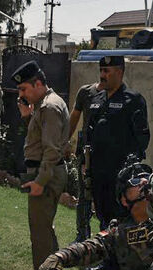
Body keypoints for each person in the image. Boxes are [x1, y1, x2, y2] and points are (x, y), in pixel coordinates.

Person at [84, 56, 150, 270]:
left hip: (120, 176)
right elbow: (90, 133)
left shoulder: (133, 100)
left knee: (121, 221)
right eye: (101, 70)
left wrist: (131, 171)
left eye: (108, 70)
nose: (103, 74)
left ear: (120, 72)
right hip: (99, 172)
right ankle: (108, 262)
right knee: (103, 218)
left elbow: (142, 138)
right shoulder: (96, 98)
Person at [13, 60, 70, 270]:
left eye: (23, 89)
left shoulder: (49, 107)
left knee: (40, 232)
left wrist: (40, 181)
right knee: (44, 227)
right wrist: (28, 117)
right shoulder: (43, 105)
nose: (21, 95)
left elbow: (52, 149)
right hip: (45, 172)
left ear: (38, 84)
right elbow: (41, 139)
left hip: (46, 174)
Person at [68, 81, 102, 243]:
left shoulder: (120, 95)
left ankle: (105, 239)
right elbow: (74, 117)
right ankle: (82, 235)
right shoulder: (86, 92)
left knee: (105, 197)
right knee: (84, 195)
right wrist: (64, 142)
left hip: (106, 154)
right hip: (86, 153)